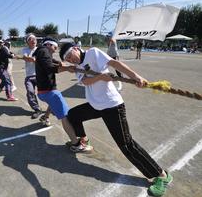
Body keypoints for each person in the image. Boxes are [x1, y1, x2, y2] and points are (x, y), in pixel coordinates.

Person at [59, 42, 173, 197]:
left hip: (112, 106)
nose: (70, 60)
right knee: (73, 115)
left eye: (70, 55)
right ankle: (83, 140)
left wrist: (135, 76)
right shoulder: (78, 67)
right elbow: (85, 81)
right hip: (96, 105)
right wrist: (100, 77)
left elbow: (114, 63)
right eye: (67, 59)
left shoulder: (93, 53)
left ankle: (161, 175)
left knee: (127, 145)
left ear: (76, 49)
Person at [33, 37, 92, 150]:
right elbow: (50, 68)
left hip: (44, 92)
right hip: (49, 92)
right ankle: (76, 144)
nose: (55, 50)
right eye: (55, 47)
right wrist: (67, 68)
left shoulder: (42, 53)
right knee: (65, 116)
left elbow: (56, 63)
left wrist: (68, 65)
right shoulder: (43, 51)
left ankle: (45, 117)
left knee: (53, 104)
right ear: (49, 45)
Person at [21, 33, 43, 119]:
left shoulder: (40, 49)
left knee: (46, 93)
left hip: (40, 75)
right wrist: (33, 59)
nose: (33, 40)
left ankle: (52, 108)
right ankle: (37, 109)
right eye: (30, 39)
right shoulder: (25, 50)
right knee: (30, 92)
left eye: (34, 39)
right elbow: (26, 58)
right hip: (29, 76)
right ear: (27, 42)